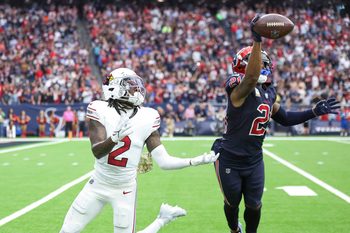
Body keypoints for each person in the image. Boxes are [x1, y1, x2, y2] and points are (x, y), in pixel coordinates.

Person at [211, 15, 340, 233]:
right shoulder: (237, 89)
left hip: (254, 160)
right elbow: (250, 79)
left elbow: (286, 118)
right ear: (247, 65)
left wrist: (314, 111)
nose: (266, 68)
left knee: (254, 204)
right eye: (261, 63)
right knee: (231, 204)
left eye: (266, 64)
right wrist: (257, 40)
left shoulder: (268, 93)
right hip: (230, 158)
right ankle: (234, 229)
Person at [60, 68, 219, 233]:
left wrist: (194, 161)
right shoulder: (99, 109)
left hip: (125, 188)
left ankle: (162, 219)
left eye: (136, 84)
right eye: (130, 84)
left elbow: (163, 162)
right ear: (114, 87)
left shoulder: (148, 117)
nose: (137, 88)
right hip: (97, 184)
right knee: (66, 231)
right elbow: (97, 151)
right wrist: (114, 138)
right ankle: (164, 218)